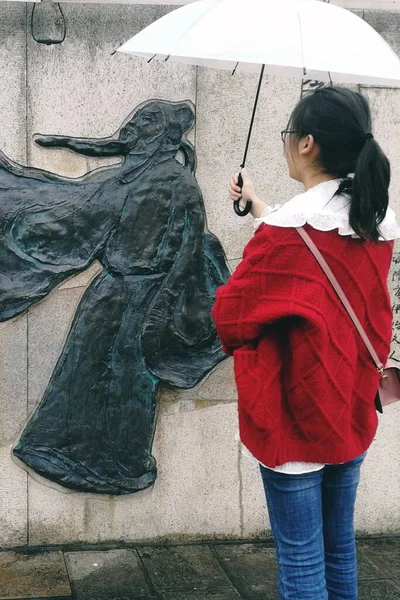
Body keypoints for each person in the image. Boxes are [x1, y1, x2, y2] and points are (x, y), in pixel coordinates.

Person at [211, 86, 400, 600]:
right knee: (340, 550)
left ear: (307, 143)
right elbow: (318, 256)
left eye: (287, 133)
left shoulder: (285, 234)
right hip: (350, 405)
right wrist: (259, 209)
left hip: (293, 413)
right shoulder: (375, 224)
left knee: (300, 560)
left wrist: (264, 226)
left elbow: (229, 315)